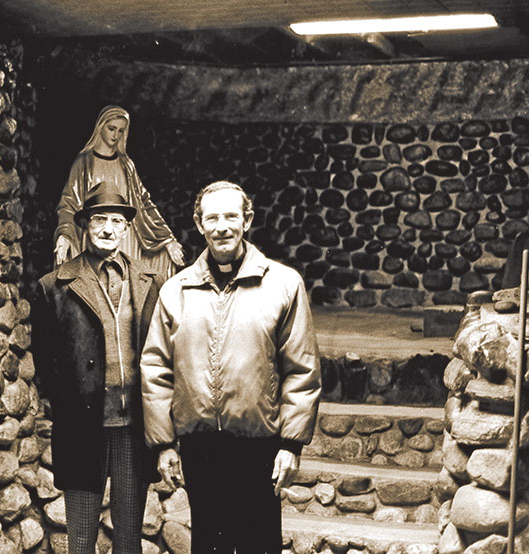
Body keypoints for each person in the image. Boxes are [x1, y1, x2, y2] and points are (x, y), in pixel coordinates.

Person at [140, 181, 322, 554]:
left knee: (258, 545)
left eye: (230, 216)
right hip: (199, 445)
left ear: (247, 220)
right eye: (213, 217)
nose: (222, 226)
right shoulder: (176, 291)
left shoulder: (284, 285)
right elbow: (156, 368)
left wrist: (291, 444)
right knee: (209, 545)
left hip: (260, 444)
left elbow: (301, 368)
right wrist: (164, 445)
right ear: (199, 224)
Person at [32, 183, 164, 554]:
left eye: (117, 221)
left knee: (128, 538)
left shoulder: (149, 282)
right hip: (82, 427)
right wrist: (72, 402)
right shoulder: (53, 287)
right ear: (85, 225)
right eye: (99, 219)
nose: (108, 228)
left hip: (133, 429)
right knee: (82, 538)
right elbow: (46, 362)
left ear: (126, 228)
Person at [54, 105, 185, 275]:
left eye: (121, 131)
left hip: (126, 238)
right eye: (111, 129)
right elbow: (70, 202)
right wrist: (65, 234)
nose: (116, 135)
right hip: (96, 236)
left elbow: (144, 203)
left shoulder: (126, 164)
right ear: (100, 127)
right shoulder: (84, 162)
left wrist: (167, 240)